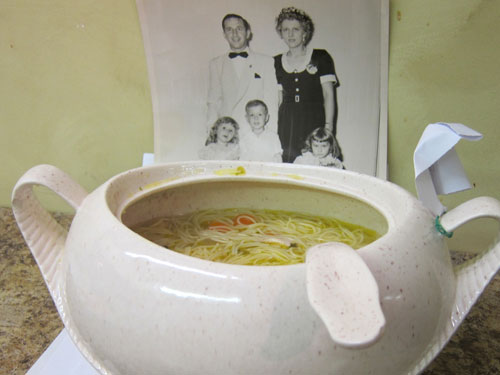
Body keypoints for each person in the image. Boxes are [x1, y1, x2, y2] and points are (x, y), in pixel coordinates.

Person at [274, 7, 340, 163]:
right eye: (286, 30)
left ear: (305, 32)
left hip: (314, 119)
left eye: (296, 29)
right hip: (287, 123)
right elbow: (277, 100)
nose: (290, 34)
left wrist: (328, 127)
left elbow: (328, 95)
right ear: (281, 33)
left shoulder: (320, 57)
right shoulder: (275, 62)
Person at [207, 14, 279, 134]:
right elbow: (213, 104)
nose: (234, 34)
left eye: (239, 28)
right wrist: (211, 134)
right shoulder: (216, 64)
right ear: (224, 35)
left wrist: (270, 135)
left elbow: (271, 102)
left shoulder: (266, 62)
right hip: (228, 134)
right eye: (229, 30)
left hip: (255, 133)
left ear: (248, 32)